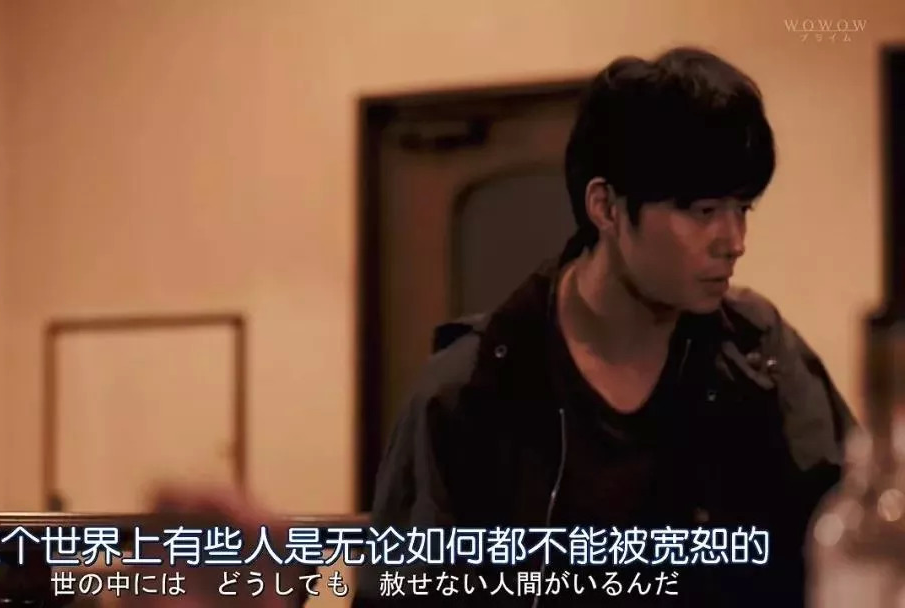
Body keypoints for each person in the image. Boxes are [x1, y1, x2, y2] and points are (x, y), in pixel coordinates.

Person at [350, 46, 856, 607]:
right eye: (704, 211)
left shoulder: (759, 358)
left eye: (743, 210)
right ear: (607, 208)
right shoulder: (471, 392)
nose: (734, 242)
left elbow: (860, 532)